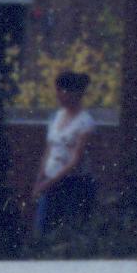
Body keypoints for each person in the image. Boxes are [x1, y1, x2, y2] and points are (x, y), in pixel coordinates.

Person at [33, 68, 99, 237]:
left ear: (73, 93)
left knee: (68, 234)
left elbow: (75, 160)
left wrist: (50, 183)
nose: (58, 95)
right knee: (41, 232)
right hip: (50, 183)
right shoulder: (56, 117)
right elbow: (50, 148)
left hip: (73, 185)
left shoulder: (85, 122)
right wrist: (41, 178)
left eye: (61, 91)